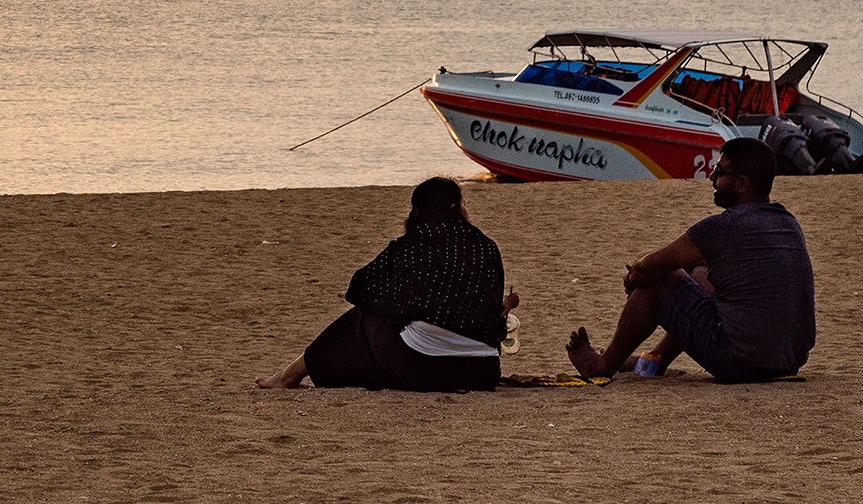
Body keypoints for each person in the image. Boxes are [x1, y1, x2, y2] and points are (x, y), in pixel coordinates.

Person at [565, 135, 815, 383]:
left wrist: (634, 277)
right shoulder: (787, 222)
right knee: (699, 274)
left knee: (662, 279)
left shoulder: (724, 226)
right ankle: (654, 361)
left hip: (741, 362)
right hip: (787, 361)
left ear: (741, 184)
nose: (711, 177)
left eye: (719, 171)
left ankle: (601, 365)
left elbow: (651, 268)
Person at [256, 177, 516, 392]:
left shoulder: (412, 245)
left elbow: (360, 288)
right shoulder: (487, 247)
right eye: (464, 203)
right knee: (397, 322)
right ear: (455, 209)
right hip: (483, 372)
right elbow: (491, 323)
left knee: (363, 315)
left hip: (423, 367)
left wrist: (401, 306)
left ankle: (290, 376)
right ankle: (297, 375)